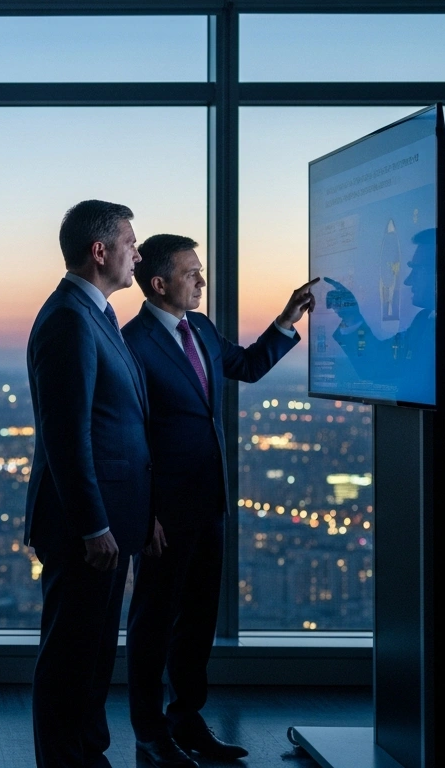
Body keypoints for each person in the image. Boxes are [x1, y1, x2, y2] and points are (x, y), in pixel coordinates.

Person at [120, 234, 314, 766]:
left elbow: (246, 366)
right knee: (153, 624)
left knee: (199, 620)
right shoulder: (131, 343)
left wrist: (285, 320)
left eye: (200, 271)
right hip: (163, 512)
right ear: (159, 283)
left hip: (209, 500)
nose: (202, 281)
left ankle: (187, 720)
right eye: (191, 273)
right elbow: (128, 435)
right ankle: (149, 732)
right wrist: (144, 511)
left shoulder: (199, 328)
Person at [25, 200, 150, 768]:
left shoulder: (94, 314)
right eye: (130, 241)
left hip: (107, 520)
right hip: (85, 526)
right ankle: (64, 760)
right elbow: (66, 435)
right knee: (72, 653)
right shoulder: (71, 319)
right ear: (99, 251)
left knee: (94, 651)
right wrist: (94, 524)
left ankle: (86, 754)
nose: (138, 253)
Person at [323, 228, 437, 402]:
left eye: (417, 269)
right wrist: (351, 316)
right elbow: (375, 363)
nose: (408, 280)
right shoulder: (422, 322)